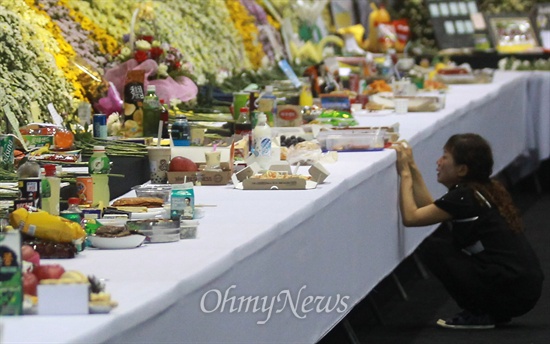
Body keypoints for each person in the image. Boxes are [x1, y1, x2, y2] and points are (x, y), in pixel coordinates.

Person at [392, 133, 543, 329]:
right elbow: (429, 208)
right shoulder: (483, 189)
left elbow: (412, 218)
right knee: (440, 244)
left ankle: (480, 311)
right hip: (522, 286)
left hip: (512, 289)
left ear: (462, 169)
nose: (438, 162)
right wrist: (412, 166)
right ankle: (490, 310)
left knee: (434, 249)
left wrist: (404, 175)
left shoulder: (465, 196)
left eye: (445, 157)